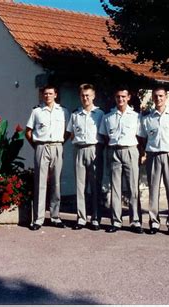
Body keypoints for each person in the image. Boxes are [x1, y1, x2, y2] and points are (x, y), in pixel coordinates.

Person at [138, 87, 169, 235]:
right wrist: (144, 153)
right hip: (153, 155)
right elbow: (142, 138)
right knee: (153, 190)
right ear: (152, 98)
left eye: (161, 96)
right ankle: (154, 223)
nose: (158, 99)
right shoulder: (147, 118)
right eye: (155, 96)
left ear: (166, 97)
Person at [25, 85, 70, 231]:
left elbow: (68, 131)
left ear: (56, 94)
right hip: (41, 147)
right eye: (45, 94)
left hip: (57, 146)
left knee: (56, 182)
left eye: (50, 93)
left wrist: (61, 142)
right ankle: (38, 219)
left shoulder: (63, 111)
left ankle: (55, 216)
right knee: (40, 183)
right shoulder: (36, 111)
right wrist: (37, 146)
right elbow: (28, 132)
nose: (48, 96)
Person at [99, 86, 143, 234]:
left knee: (133, 188)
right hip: (114, 151)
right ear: (115, 98)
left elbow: (141, 136)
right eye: (118, 96)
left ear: (128, 97)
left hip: (130, 150)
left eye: (123, 96)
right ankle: (116, 221)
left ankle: (135, 221)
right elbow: (105, 136)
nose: (121, 99)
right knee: (115, 188)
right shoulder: (108, 117)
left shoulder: (136, 116)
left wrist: (141, 154)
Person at [66, 84, 105, 231]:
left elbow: (104, 134)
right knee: (80, 186)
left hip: (95, 149)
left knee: (95, 186)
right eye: (83, 95)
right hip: (79, 149)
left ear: (93, 96)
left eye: (88, 95)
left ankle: (95, 218)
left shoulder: (100, 114)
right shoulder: (75, 114)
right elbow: (71, 133)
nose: (85, 98)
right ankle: (81, 218)